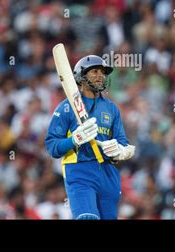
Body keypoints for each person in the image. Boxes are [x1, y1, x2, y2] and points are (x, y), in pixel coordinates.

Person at [45, 55, 136, 219]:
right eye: (94, 71)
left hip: (108, 172)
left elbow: (124, 142)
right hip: (80, 171)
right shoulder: (66, 107)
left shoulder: (111, 108)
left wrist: (118, 151)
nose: (100, 75)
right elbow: (52, 146)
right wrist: (74, 140)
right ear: (81, 76)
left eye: (102, 72)